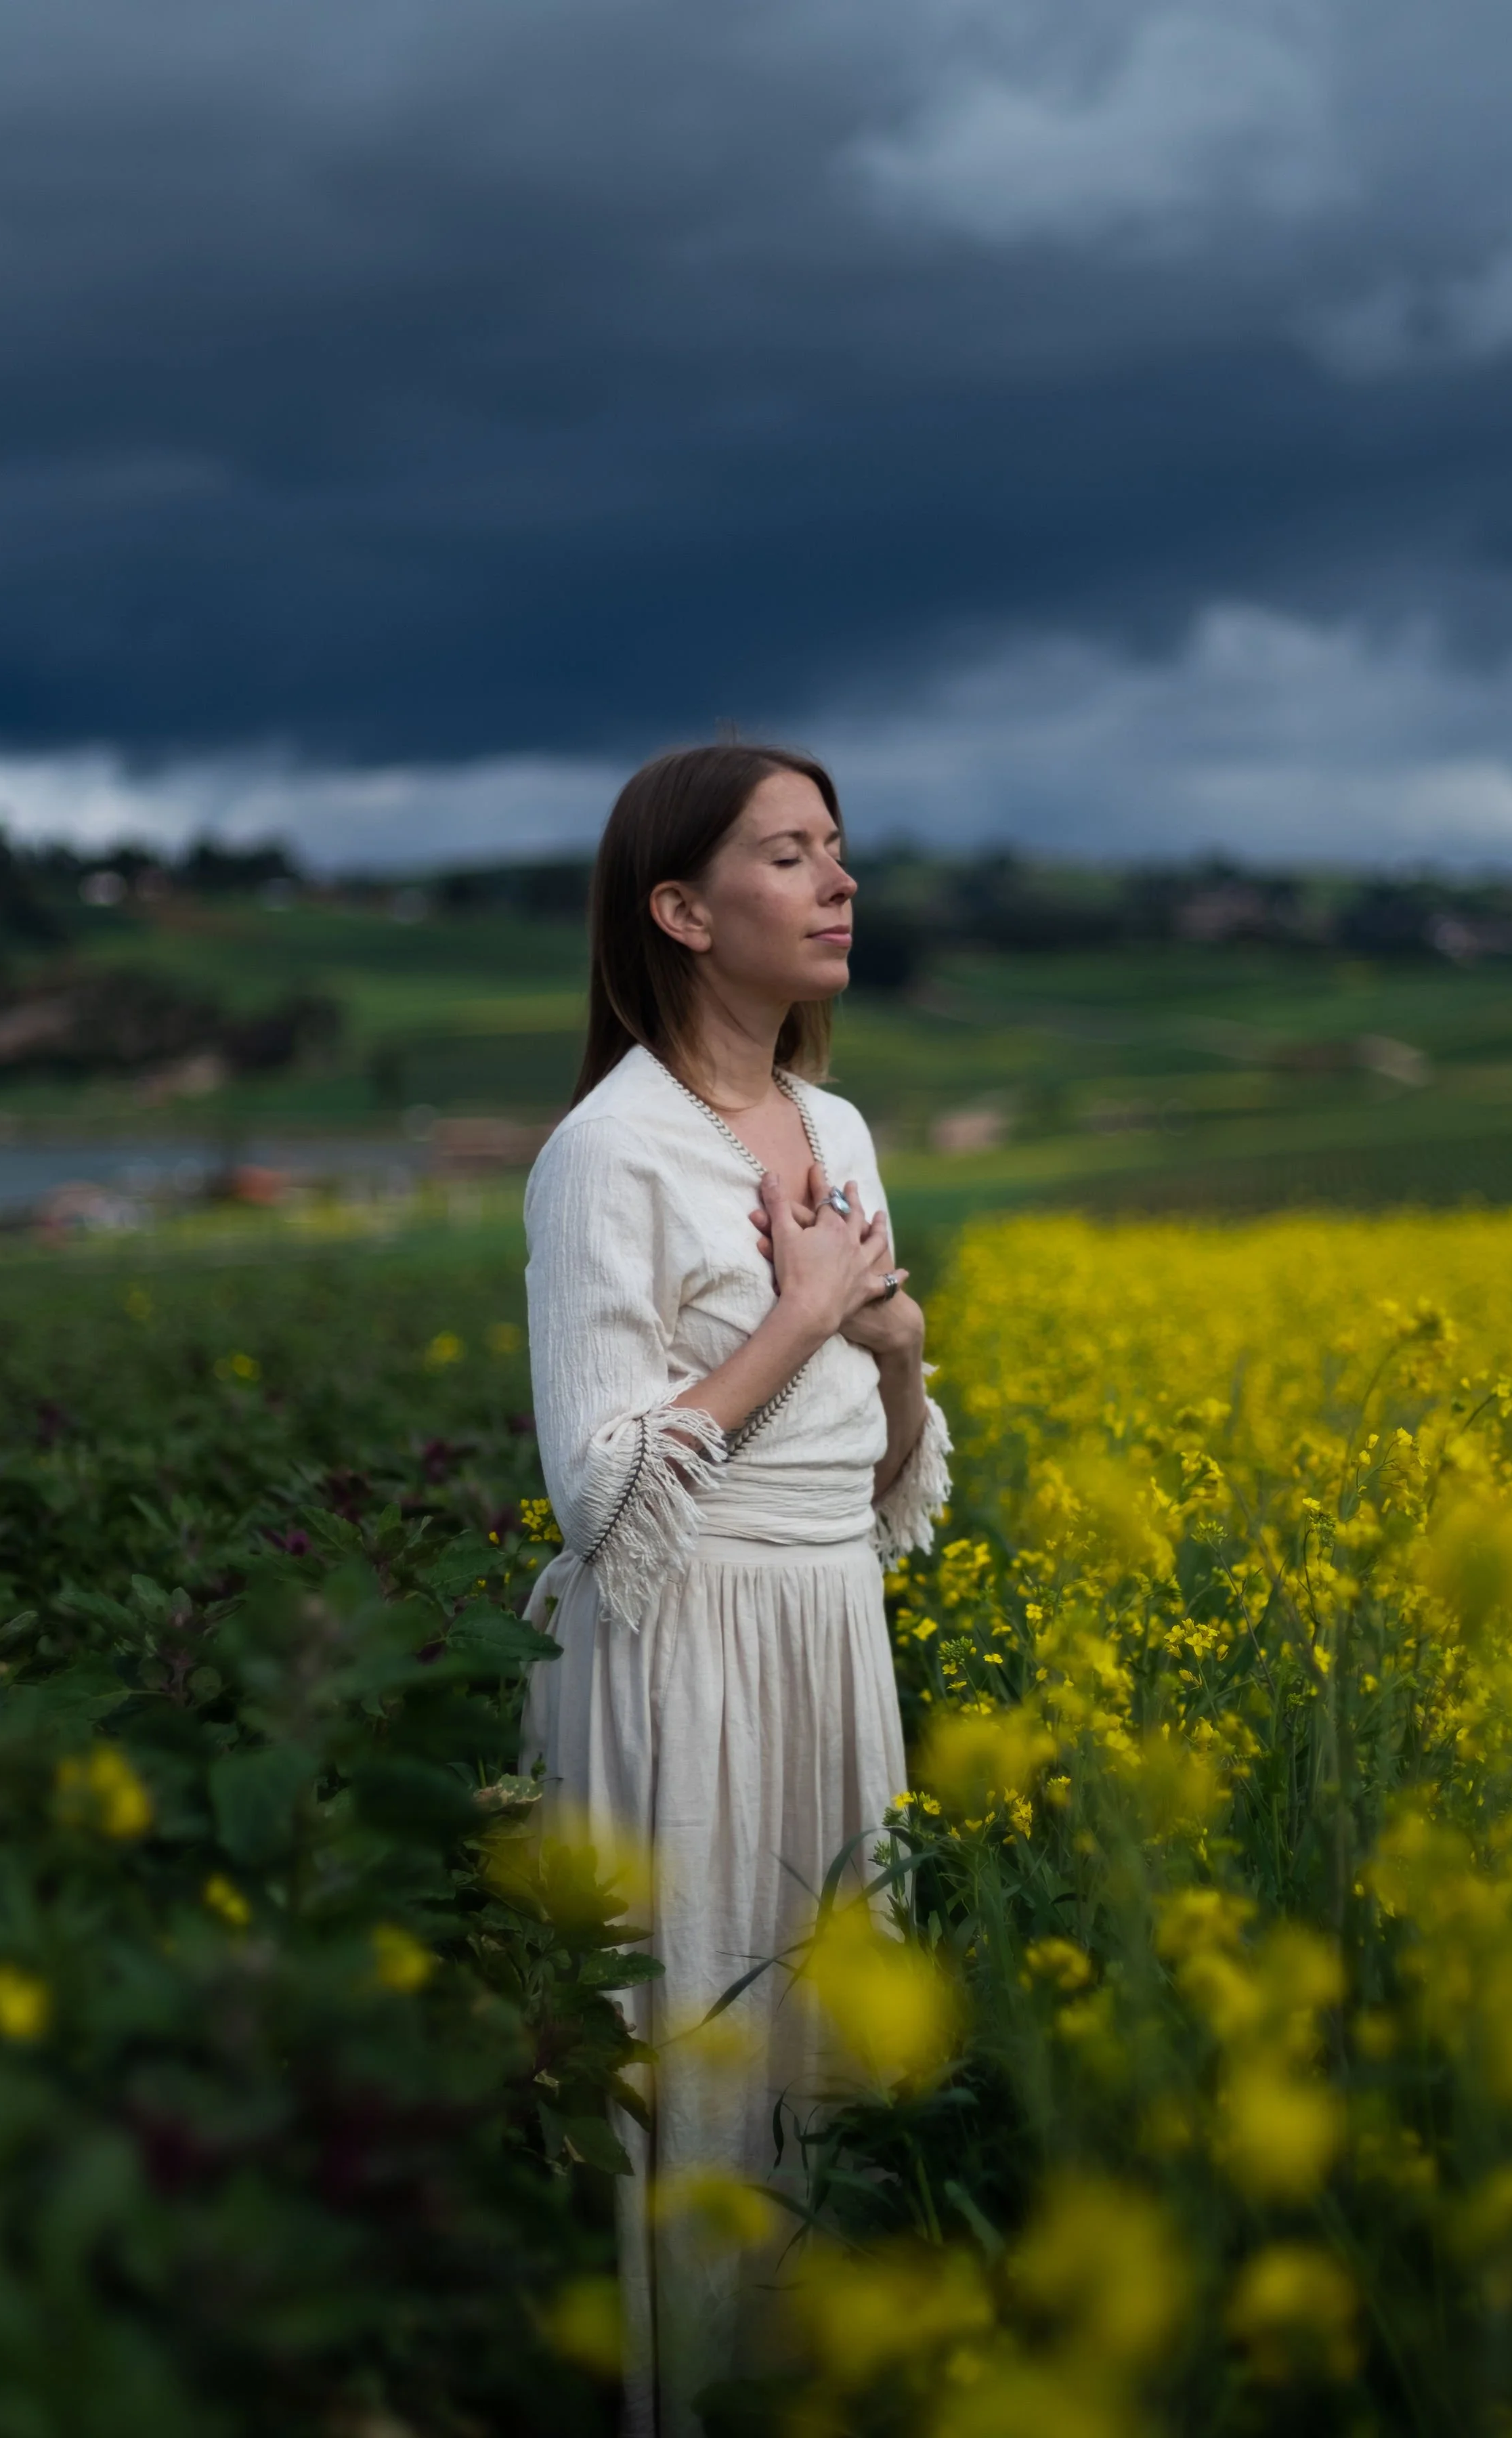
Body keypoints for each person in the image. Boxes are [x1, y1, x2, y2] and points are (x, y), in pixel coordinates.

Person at [520, 744, 950, 2435]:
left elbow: (880, 1473)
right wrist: (802, 1316)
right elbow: (601, 1492)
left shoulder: (834, 1126)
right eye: (793, 856)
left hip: (827, 1640)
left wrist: (900, 1355)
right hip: (681, 1663)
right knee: (706, 2079)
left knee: (831, 2083)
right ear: (684, 912)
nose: (842, 882)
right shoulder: (605, 1158)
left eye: (841, 849)